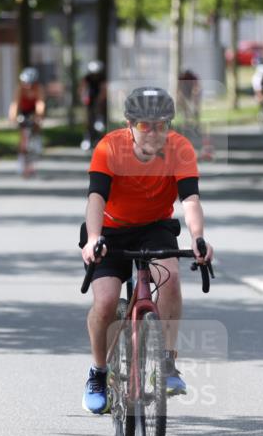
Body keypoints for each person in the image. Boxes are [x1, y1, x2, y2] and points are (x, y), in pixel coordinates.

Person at [79, 87, 214, 414]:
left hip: (154, 227)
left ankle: (167, 363)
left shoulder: (180, 149)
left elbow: (190, 200)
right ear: (129, 124)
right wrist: (92, 238)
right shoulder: (109, 147)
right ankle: (98, 373)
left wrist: (198, 238)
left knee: (170, 279)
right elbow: (96, 198)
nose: (153, 133)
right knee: (107, 301)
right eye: (144, 126)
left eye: (161, 125)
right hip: (110, 229)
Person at [8, 67, 45, 177]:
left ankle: (37, 140)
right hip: (24, 111)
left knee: (36, 125)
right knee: (23, 136)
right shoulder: (20, 89)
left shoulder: (39, 89)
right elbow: (15, 104)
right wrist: (13, 117)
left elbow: (40, 104)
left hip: (34, 111)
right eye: (25, 83)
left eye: (30, 83)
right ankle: (21, 159)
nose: (28, 85)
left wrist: (39, 116)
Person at [80, 60, 107, 151]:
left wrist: (100, 100)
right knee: (88, 120)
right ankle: (87, 139)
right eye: (93, 74)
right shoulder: (87, 78)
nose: (95, 76)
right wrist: (84, 97)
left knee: (99, 111)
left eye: (96, 74)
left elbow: (104, 90)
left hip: (99, 100)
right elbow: (83, 88)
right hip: (90, 100)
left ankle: (100, 120)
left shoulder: (102, 78)